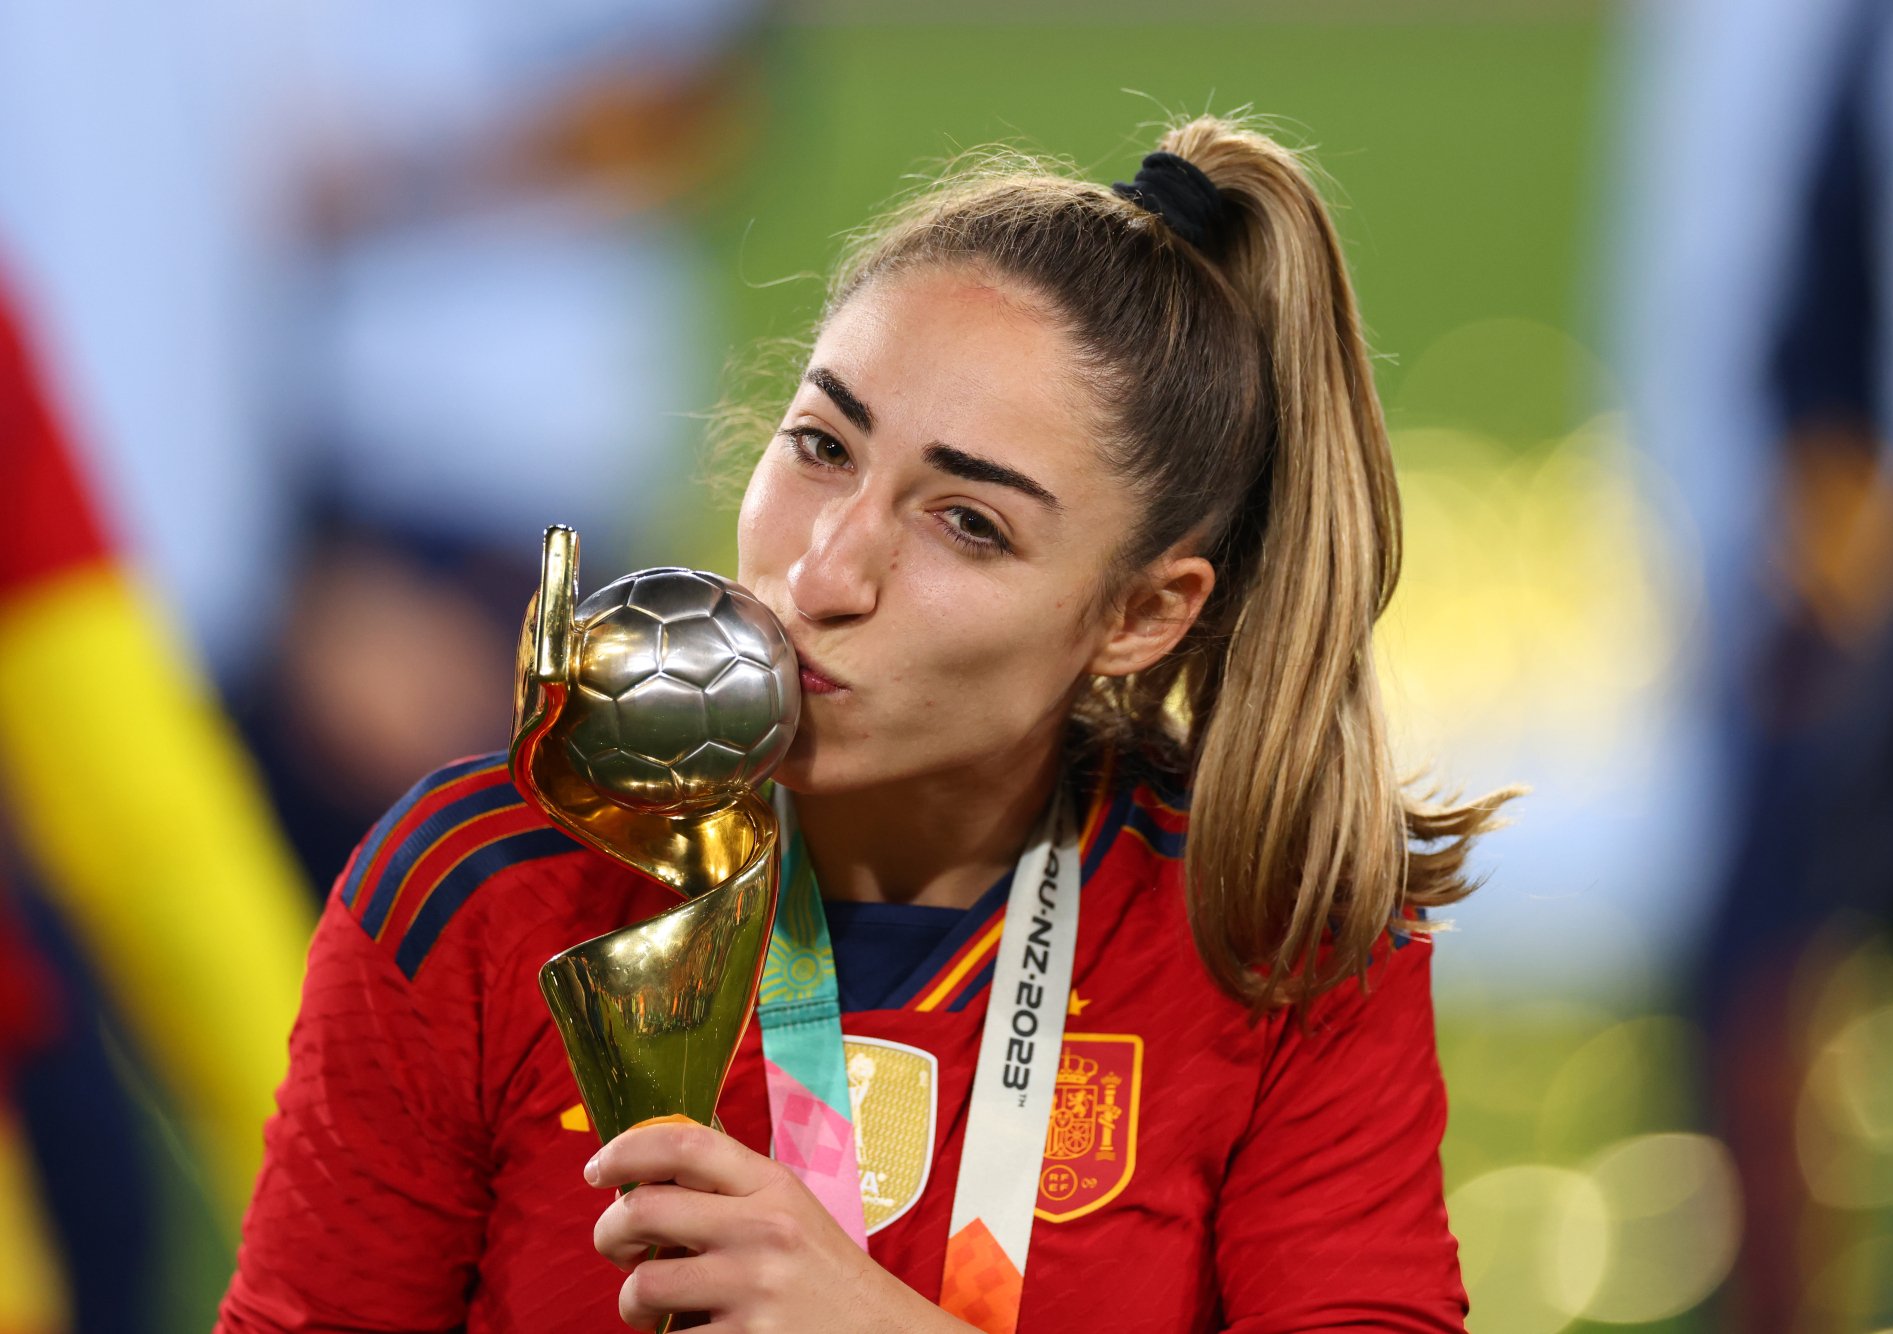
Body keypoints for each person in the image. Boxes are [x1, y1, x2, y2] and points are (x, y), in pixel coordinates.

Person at [218, 116, 1513, 1334]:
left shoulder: (1277, 937)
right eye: (823, 446)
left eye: (969, 522)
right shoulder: (487, 880)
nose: (826, 571)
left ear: (1141, 614)